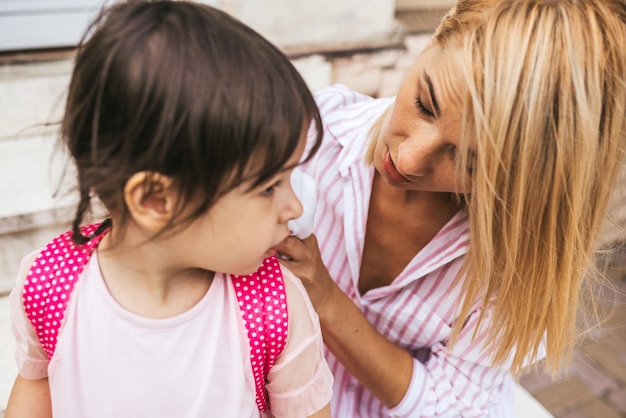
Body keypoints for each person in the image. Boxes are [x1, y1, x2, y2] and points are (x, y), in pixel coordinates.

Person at [276, 0, 626, 416]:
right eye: (425, 102)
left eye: (471, 162)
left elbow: (451, 405)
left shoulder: (514, 265)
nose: (407, 159)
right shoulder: (315, 132)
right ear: (436, 36)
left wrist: (327, 300)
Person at [5, 1, 333, 417]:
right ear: (155, 201)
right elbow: (36, 387)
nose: (295, 206)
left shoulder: (274, 306)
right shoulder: (50, 287)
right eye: (269, 186)